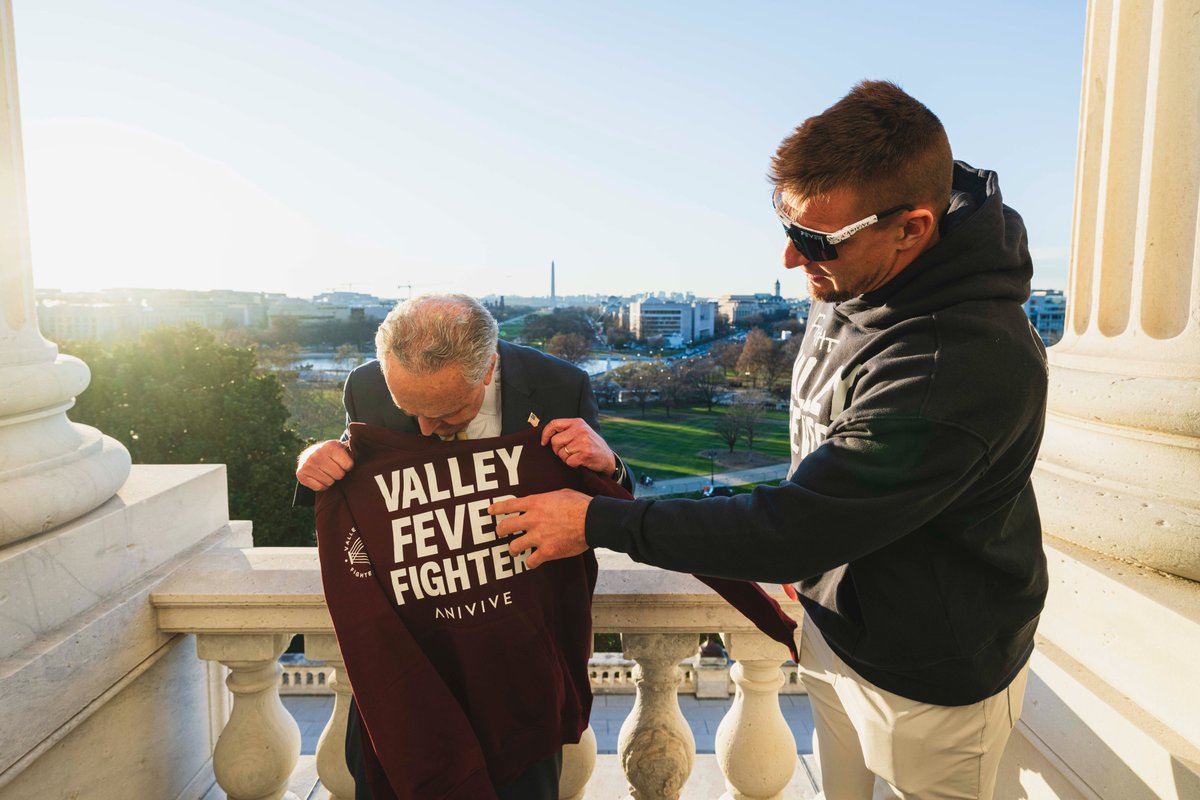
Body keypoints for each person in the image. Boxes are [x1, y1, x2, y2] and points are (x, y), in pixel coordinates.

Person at [491, 80, 1050, 800]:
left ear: (911, 227)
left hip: (932, 677)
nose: (790, 259)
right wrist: (626, 478)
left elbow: (794, 527)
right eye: (785, 225)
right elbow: (824, 484)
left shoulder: (956, 363)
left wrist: (599, 519)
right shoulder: (857, 276)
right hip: (835, 628)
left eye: (815, 240)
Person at [295, 294, 630, 800]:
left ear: (488, 366)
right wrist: (313, 459)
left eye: (449, 410)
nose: (427, 429)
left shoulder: (561, 385)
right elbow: (358, 467)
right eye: (412, 412)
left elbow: (605, 501)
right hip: (410, 660)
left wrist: (611, 466)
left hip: (516, 667)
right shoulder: (367, 385)